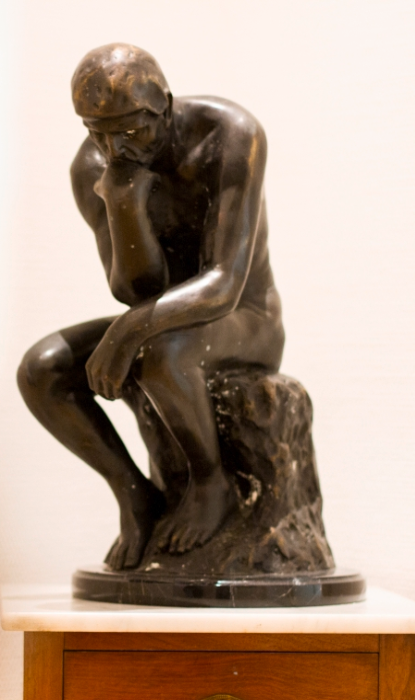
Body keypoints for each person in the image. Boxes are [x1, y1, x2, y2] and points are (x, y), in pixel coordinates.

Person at [18, 44, 285, 570]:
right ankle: (133, 494)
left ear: (164, 104)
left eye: (131, 131)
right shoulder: (94, 168)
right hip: (162, 323)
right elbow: (134, 290)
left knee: (160, 350)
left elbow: (224, 283)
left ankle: (211, 484)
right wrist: (123, 204)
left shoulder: (231, 135)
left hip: (245, 319)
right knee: (41, 369)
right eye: (97, 132)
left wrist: (127, 333)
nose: (115, 147)